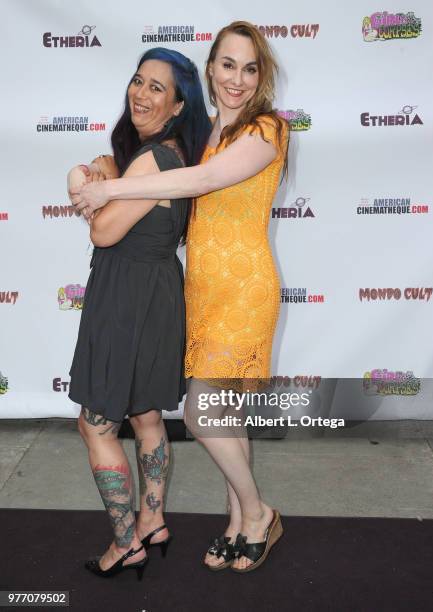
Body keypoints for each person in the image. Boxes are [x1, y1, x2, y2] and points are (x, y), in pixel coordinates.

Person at [71, 21, 289, 573]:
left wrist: (110, 187)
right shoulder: (207, 132)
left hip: (244, 289)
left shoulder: (267, 130)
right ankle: (238, 523)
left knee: (201, 414)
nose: (236, 78)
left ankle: (259, 511)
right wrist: (101, 171)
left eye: (249, 67)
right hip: (200, 290)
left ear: (260, 76)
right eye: (227, 64)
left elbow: (198, 182)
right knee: (228, 417)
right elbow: (171, 201)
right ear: (211, 68)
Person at [67, 47, 211, 579]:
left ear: (177, 106)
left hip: (127, 296)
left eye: (157, 88)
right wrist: (102, 177)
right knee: (148, 417)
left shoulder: (154, 158)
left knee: (95, 425)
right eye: (138, 81)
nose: (141, 94)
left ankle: (126, 543)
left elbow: (103, 230)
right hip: (157, 294)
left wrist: (92, 186)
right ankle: (153, 523)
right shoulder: (171, 153)